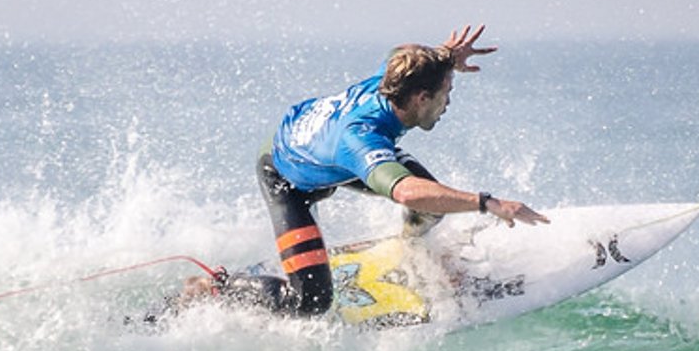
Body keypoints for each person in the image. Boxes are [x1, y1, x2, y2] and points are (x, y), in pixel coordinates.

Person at [218, 24, 548, 316]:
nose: (448, 102)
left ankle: (413, 250)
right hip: (286, 177)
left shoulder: (395, 76)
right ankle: (220, 287)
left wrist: (446, 56)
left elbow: (403, 51)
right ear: (421, 98)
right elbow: (405, 191)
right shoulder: (363, 139)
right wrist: (487, 202)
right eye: (447, 92)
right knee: (310, 303)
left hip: (324, 151)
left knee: (431, 205)